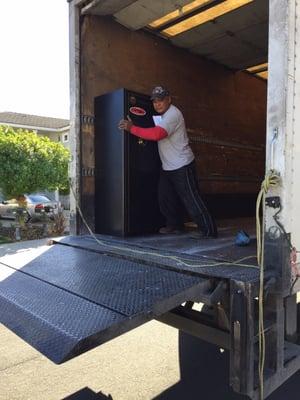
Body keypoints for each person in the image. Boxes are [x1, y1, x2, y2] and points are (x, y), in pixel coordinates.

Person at [118, 86, 217, 237]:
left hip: (182, 165)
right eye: (155, 101)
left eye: (161, 100)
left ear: (169, 99)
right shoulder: (161, 116)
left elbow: (157, 134)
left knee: (191, 199)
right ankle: (175, 226)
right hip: (168, 166)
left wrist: (132, 128)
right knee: (165, 197)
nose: (157, 104)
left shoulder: (173, 114)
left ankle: (209, 230)